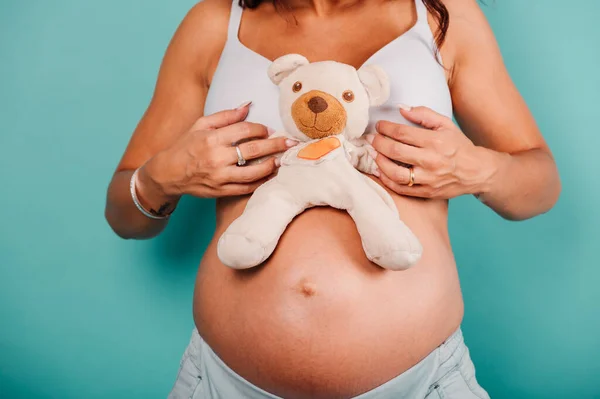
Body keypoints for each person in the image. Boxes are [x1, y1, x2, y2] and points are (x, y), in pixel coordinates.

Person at [105, 0, 561, 397]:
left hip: (422, 384)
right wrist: (161, 177)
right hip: (223, 384)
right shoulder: (215, 23)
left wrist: (477, 169)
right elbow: (124, 215)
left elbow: (540, 184)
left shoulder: (441, 18)